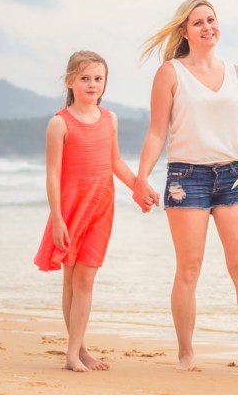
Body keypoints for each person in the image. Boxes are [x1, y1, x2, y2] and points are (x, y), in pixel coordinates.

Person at [131, 0, 238, 377]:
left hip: (233, 176)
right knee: (189, 269)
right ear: (185, 31)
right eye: (198, 22)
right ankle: (186, 354)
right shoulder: (170, 73)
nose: (207, 27)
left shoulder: (235, 73)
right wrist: (141, 176)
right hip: (187, 178)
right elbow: (158, 131)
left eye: (211, 20)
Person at [35, 50, 152, 372]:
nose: (92, 84)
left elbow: (115, 163)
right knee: (71, 280)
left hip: (101, 209)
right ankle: (76, 351)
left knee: (85, 278)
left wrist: (139, 188)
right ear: (70, 81)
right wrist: (57, 219)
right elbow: (52, 175)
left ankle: (77, 349)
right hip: (71, 209)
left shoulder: (109, 119)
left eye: (98, 78)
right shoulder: (59, 123)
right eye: (85, 78)